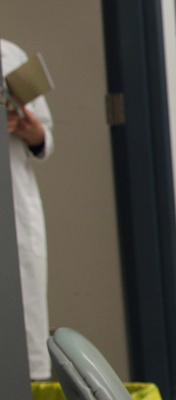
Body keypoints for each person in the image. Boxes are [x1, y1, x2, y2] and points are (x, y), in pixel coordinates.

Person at [3, 38, 55, 381]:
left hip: (13, 211)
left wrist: (32, 131)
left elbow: (44, 136)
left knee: (18, 355)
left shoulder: (8, 55)